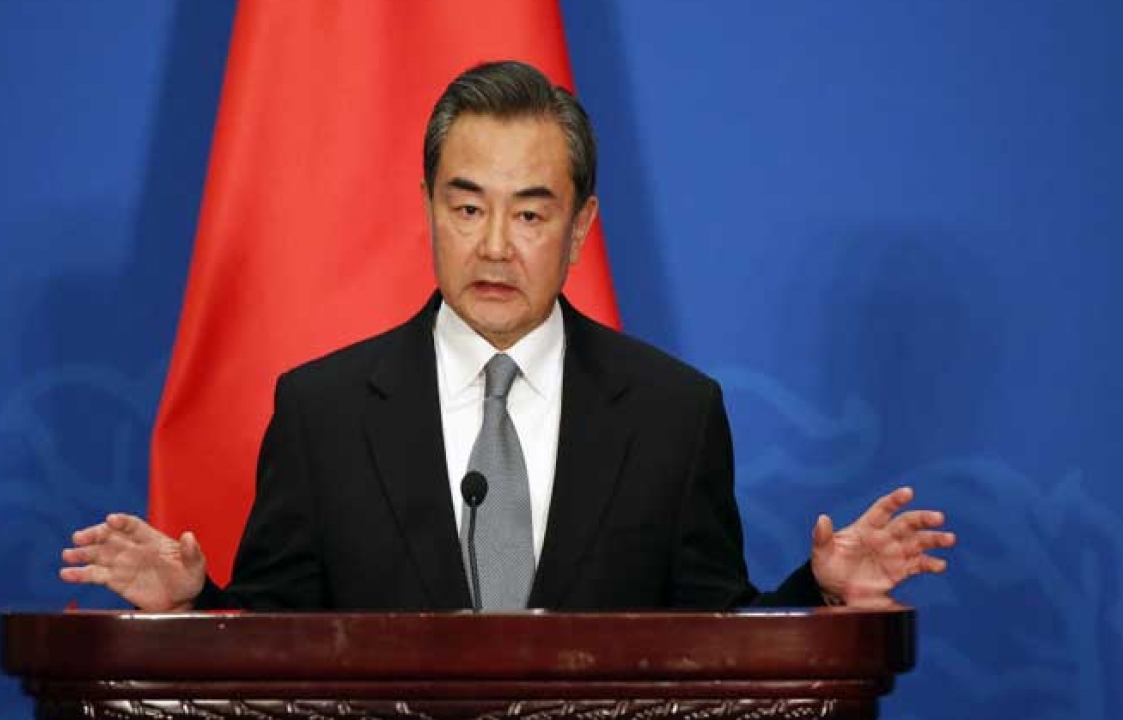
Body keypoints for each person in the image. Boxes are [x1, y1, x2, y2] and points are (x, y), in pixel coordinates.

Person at [61, 60, 954, 612]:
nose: (494, 246)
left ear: (581, 228)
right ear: (428, 209)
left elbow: (715, 642)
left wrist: (819, 593)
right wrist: (190, 607)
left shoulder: (673, 415)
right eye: (466, 208)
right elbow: (274, 644)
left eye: (530, 213)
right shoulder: (321, 412)